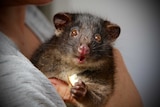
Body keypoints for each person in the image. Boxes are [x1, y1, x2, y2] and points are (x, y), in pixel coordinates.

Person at [0, 0, 143, 107]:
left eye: (97, 38)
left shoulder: (30, 16)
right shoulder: (11, 77)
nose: (84, 47)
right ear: (60, 26)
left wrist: (87, 95)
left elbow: (99, 93)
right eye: (74, 33)